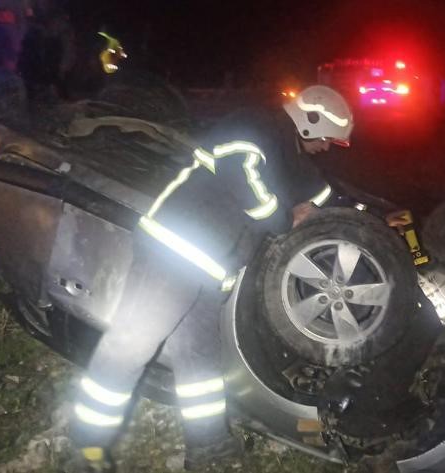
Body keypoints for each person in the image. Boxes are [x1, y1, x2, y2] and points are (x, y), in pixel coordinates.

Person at [69, 85, 352, 472]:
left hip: (209, 266)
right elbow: (242, 175)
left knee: (199, 360)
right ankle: (88, 448)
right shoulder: (258, 124)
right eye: (326, 138)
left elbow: (320, 192)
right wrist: (283, 217)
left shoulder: (288, 155)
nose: (327, 148)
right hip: (175, 247)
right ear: (310, 121)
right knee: (131, 344)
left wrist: (357, 215)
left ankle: (207, 448)